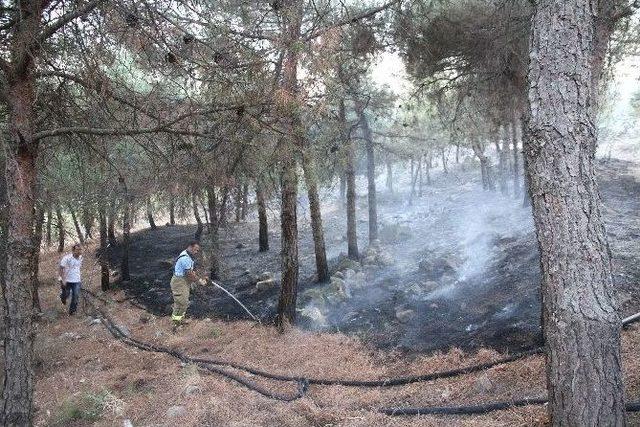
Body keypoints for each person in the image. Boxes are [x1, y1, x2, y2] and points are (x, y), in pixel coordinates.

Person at [171, 241, 207, 327]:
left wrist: (199, 277)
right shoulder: (185, 258)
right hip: (179, 282)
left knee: (183, 302)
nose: (196, 252)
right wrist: (199, 281)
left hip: (184, 281)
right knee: (182, 303)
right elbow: (189, 274)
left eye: (197, 250)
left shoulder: (187, 255)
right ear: (190, 247)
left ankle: (180, 320)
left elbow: (191, 271)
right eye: (195, 250)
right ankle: (176, 324)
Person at [59, 243, 83, 316]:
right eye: (77, 250)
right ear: (73, 250)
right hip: (67, 280)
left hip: (76, 280)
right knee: (66, 294)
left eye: (80, 249)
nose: (79, 251)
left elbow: (77, 268)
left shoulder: (81, 258)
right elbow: (61, 268)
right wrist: (62, 279)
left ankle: (72, 312)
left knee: (76, 295)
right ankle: (62, 297)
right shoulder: (66, 258)